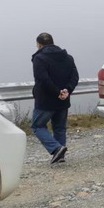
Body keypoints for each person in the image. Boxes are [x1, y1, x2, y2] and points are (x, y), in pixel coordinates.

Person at [31, 32, 79, 164]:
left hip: (46, 101)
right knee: (59, 128)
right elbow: (74, 77)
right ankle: (60, 156)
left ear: (39, 45)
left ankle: (56, 148)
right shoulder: (68, 57)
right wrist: (67, 91)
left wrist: (56, 92)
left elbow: (43, 79)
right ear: (52, 42)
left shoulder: (39, 58)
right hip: (63, 99)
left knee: (37, 125)